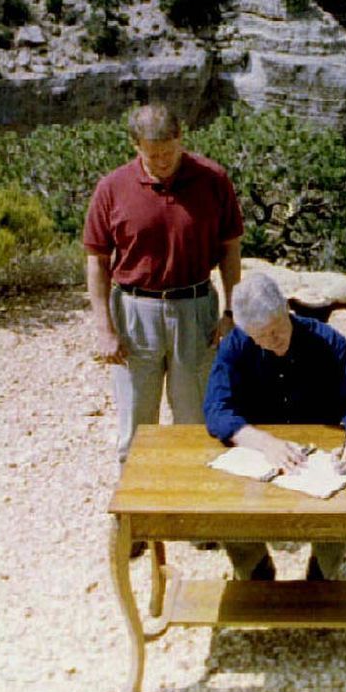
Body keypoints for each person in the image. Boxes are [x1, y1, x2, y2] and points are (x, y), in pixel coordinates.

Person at [84, 103, 244, 467]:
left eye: (169, 153)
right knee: (136, 424)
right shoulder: (112, 187)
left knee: (197, 420)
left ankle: (193, 508)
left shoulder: (213, 180)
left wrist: (231, 312)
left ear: (181, 138)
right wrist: (104, 328)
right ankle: (134, 517)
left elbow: (230, 250)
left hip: (196, 307)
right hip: (134, 312)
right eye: (152, 155)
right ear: (135, 146)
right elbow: (96, 260)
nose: (161, 162)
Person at [205, 272, 346, 582]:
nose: (275, 340)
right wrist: (261, 441)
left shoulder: (324, 340)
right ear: (247, 332)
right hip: (259, 455)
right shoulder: (235, 346)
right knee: (223, 506)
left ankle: (322, 574)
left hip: (316, 457)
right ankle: (255, 570)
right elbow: (217, 409)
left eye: (278, 328)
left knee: (341, 502)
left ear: (286, 309)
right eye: (263, 336)